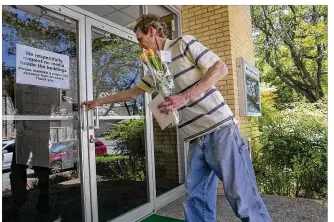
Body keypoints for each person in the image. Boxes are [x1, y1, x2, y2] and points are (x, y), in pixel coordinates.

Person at [83, 14, 271, 222]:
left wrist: (184, 97)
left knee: (242, 198)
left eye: (140, 39)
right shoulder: (155, 69)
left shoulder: (184, 44)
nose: (139, 46)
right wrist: (98, 102)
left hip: (220, 130)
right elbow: (132, 93)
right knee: (195, 201)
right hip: (195, 138)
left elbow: (220, 68)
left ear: (152, 31)